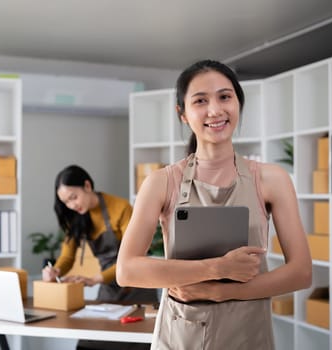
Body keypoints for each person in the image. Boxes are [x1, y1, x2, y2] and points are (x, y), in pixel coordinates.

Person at [116, 60, 312, 350]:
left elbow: (301, 272)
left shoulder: (272, 179)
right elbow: (127, 270)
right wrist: (218, 267)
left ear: (238, 103)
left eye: (225, 96)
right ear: (182, 113)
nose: (215, 110)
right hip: (181, 335)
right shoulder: (161, 182)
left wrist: (221, 292)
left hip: (249, 334)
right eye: (200, 100)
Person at [42, 164, 157, 350]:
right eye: (66, 203)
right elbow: (67, 257)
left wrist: (95, 279)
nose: (72, 205)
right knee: (91, 342)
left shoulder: (120, 208)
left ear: (87, 186)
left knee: (136, 340)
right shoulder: (76, 216)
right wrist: (56, 270)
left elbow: (135, 255)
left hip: (138, 288)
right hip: (109, 289)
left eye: (74, 197)